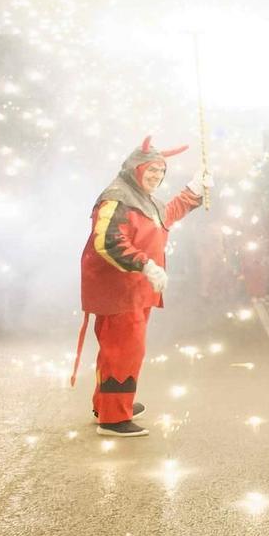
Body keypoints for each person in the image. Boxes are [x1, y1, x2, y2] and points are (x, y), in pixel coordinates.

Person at [73, 137, 209, 438]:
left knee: (119, 349)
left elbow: (166, 214)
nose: (157, 177)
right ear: (135, 169)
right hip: (120, 290)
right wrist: (145, 264)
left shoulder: (142, 198)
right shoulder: (117, 198)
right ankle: (113, 418)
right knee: (124, 350)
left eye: (161, 172)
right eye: (151, 170)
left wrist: (194, 189)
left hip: (136, 289)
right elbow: (107, 241)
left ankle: (109, 404)